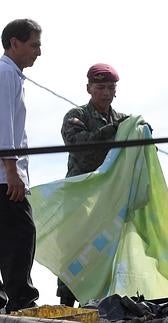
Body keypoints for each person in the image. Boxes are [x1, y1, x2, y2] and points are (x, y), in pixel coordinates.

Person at [58, 63, 129, 306]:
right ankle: (67, 303)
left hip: (109, 197)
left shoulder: (122, 120)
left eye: (111, 87)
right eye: (101, 87)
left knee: (105, 250)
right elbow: (83, 150)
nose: (107, 93)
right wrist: (114, 131)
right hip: (81, 197)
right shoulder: (77, 116)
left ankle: (100, 300)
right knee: (76, 249)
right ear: (89, 88)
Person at [0, 18, 41, 313]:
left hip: (5, 172)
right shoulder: (5, 74)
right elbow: (4, 125)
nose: (38, 52)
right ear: (15, 43)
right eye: (34, 44)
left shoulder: (10, 74)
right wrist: (12, 172)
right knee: (21, 234)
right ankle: (21, 300)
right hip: (5, 175)